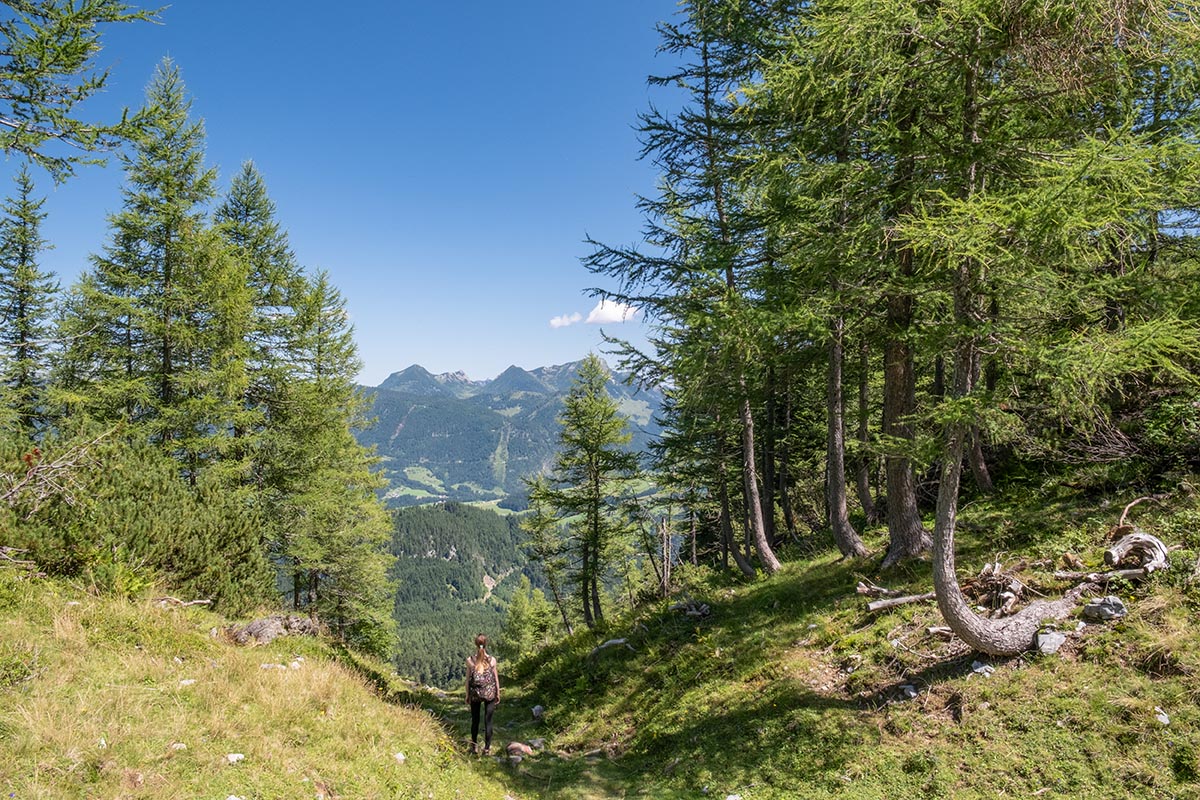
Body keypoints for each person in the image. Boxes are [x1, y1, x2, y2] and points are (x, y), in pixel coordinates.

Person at [464, 633, 500, 754]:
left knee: (475, 720)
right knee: (488, 721)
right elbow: (495, 679)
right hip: (490, 694)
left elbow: (467, 680)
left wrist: (467, 695)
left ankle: (474, 747)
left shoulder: (470, 660)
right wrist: (497, 694)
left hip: (475, 694)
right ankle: (487, 749)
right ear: (486, 644)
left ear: (476, 644)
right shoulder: (492, 660)